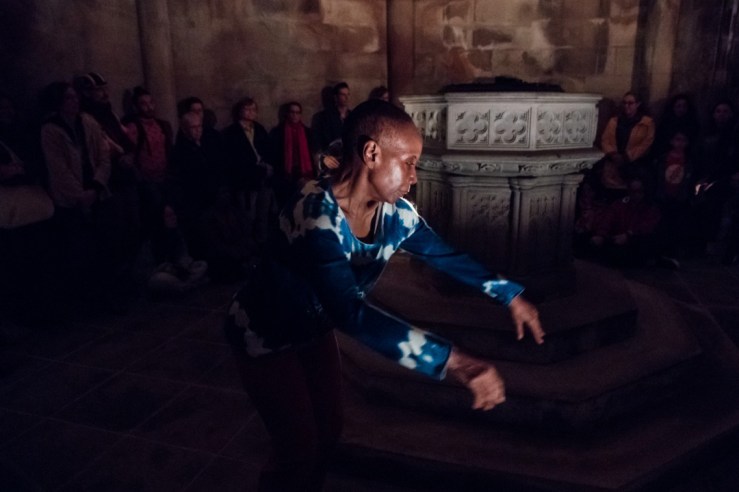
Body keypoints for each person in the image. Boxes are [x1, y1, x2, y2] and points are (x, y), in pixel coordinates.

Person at [225, 100, 544, 492]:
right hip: (265, 333)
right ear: (372, 153)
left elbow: (445, 255)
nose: (414, 177)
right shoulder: (314, 213)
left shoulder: (397, 215)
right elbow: (350, 311)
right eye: (408, 162)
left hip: (313, 328)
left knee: (329, 430)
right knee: (298, 447)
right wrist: (457, 362)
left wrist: (510, 295)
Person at [222, 97, 274, 246]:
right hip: (246, 181)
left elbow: (268, 149)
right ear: (240, 111)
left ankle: (262, 244)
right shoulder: (231, 132)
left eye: (253, 109)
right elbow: (232, 158)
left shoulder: (259, 129)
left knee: (263, 213)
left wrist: (267, 165)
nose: (251, 112)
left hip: (263, 178)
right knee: (247, 215)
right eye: (247, 109)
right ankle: (247, 245)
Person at [599, 91, 655, 191]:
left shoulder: (647, 123)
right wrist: (613, 154)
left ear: (637, 104)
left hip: (635, 163)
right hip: (614, 161)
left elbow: (646, 143)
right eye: (624, 103)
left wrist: (627, 156)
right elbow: (605, 139)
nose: (626, 106)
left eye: (630, 103)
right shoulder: (614, 121)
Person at [269, 101, 316, 206]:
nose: (295, 115)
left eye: (297, 112)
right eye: (292, 112)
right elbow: (274, 153)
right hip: (285, 174)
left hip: (303, 172)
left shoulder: (307, 132)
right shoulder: (278, 132)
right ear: (287, 114)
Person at [311, 81, 351, 153]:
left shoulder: (352, 115)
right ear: (336, 97)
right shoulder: (325, 117)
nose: (346, 97)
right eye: (343, 94)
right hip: (332, 154)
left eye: (348, 94)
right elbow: (319, 140)